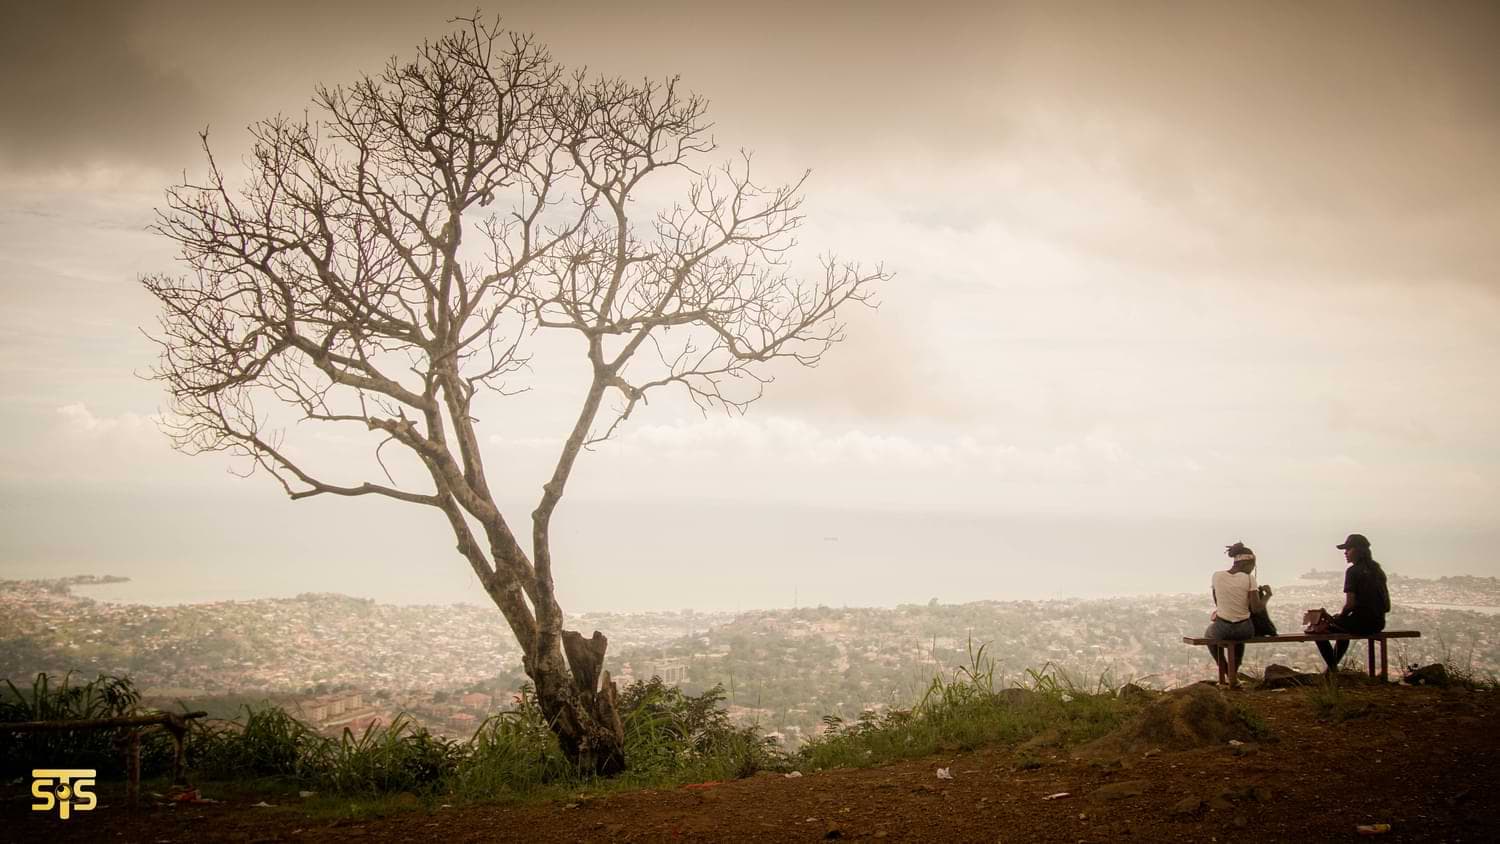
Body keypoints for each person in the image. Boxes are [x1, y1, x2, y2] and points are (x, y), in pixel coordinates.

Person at [1314, 533, 1391, 673]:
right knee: (1342, 628)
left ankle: (1331, 670)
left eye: (1348, 549)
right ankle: (1330, 672)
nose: (1345, 553)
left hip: (1360, 623)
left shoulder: (1353, 572)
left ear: (1357, 550)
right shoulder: (1378, 571)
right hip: (1378, 623)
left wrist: (1339, 617)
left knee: (1317, 631)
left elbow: (1350, 604)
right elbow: (1386, 605)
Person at [1205, 542, 1262, 688]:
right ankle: (1233, 676)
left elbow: (1218, 603)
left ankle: (1226, 672)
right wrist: (1266, 596)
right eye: (1252, 566)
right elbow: (1256, 609)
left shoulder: (1217, 576)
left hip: (1221, 628)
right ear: (1248, 563)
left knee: (1208, 636)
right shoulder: (1249, 579)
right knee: (1238, 639)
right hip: (1244, 629)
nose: (1252, 569)